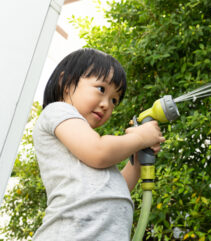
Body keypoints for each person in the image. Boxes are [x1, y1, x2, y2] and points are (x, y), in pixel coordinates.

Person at [32, 48, 165, 241]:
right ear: (66, 82)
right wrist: (140, 138)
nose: (107, 104)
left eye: (114, 100)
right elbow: (99, 152)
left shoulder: (86, 142)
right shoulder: (58, 111)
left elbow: (117, 188)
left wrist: (137, 153)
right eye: (101, 89)